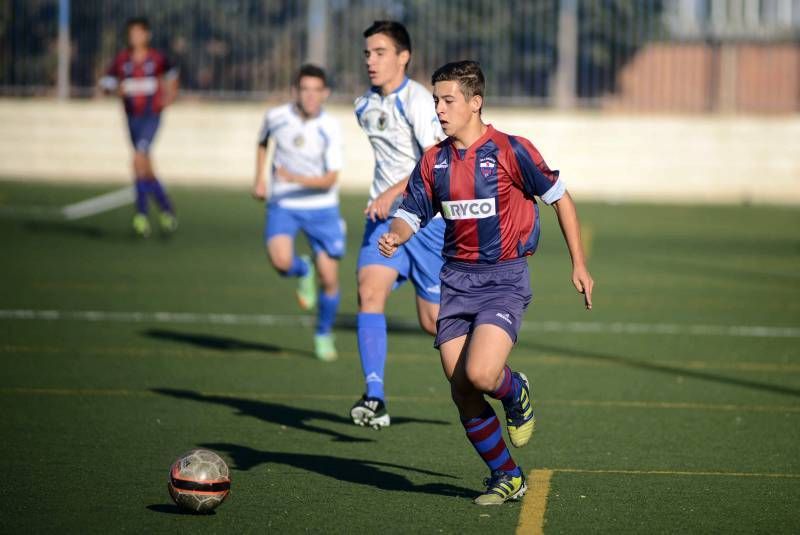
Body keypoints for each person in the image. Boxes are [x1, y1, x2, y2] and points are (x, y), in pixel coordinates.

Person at [378, 61, 594, 505]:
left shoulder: (512, 151)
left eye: (447, 100)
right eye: (436, 100)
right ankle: (507, 476)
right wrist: (395, 236)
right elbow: (412, 212)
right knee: (462, 390)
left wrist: (579, 263)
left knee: (480, 373)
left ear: (475, 103)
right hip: (455, 282)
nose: (438, 108)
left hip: (504, 280)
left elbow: (561, 197)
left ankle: (517, 393)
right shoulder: (434, 160)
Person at [350, 21, 446, 429]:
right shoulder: (363, 106)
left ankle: (494, 369)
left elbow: (435, 160)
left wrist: (393, 192)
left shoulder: (420, 101)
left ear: (403, 57)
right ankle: (375, 398)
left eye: (380, 52)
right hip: (383, 221)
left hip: (426, 223)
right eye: (368, 53)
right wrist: (385, 198)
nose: (371, 60)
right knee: (369, 291)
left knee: (433, 323)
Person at [252, 64, 344, 362]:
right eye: (305, 89)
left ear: (325, 93)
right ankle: (302, 269)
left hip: (322, 207)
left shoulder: (330, 127)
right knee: (280, 262)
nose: (310, 96)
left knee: (329, 279)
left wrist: (294, 177)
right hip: (285, 203)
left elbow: (331, 178)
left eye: (317, 90)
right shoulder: (276, 117)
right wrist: (260, 177)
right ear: (295, 91)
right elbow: (263, 141)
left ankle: (323, 332)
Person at [99, 17, 179, 237]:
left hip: (151, 116)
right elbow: (105, 82)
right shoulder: (122, 60)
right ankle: (166, 208)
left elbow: (173, 75)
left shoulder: (157, 58)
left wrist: (170, 96)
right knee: (145, 166)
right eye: (131, 33)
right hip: (131, 118)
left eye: (139, 33)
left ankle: (141, 215)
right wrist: (116, 90)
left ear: (147, 35)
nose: (134, 37)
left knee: (137, 160)